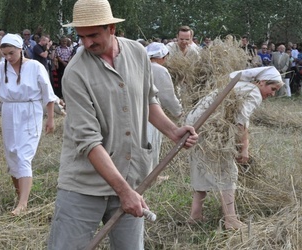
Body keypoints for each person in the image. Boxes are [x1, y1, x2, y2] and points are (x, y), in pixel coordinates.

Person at [47, 0, 198, 249]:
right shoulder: (75, 73)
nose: (86, 43)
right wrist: (124, 191)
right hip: (85, 185)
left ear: (111, 29)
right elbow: (88, 141)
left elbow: (148, 99)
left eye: (93, 35)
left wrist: (173, 131)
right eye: (81, 36)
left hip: (131, 174)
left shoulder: (137, 53)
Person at [185, 66, 284, 230]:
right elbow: (240, 122)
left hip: (195, 126)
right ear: (262, 82)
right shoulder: (253, 92)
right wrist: (243, 148)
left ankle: (195, 215)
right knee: (228, 172)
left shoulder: (241, 86)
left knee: (201, 167)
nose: (272, 94)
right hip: (210, 130)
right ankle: (230, 220)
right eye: (272, 89)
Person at [0, 33, 57, 215]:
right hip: (9, 111)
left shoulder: (35, 66)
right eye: (5, 53)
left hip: (30, 111)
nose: (8, 57)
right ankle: (20, 197)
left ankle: (23, 205)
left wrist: (51, 118)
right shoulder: (1, 67)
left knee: (24, 155)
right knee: (12, 155)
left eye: (11, 53)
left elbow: (48, 93)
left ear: (21, 49)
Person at [145, 42, 182, 167]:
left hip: (138, 111)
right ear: (162, 57)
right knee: (151, 144)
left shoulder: (141, 65)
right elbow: (167, 96)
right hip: (152, 112)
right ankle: (151, 176)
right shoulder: (160, 70)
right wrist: (178, 112)